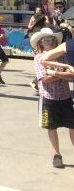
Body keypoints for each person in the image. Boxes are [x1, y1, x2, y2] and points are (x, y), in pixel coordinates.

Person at [31, 28, 74, 169]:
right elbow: (44, 79)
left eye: (52, 39)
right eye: (46, 40)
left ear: (56, 41)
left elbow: (71, 75)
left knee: (72, 125)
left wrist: (53, 72)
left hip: (65, 96)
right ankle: (56, 154)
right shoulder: (38, 57)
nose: (49, 42)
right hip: (48, 97)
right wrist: (61, 73)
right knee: (52, 127)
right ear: (40, 43)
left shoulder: (62, 55)